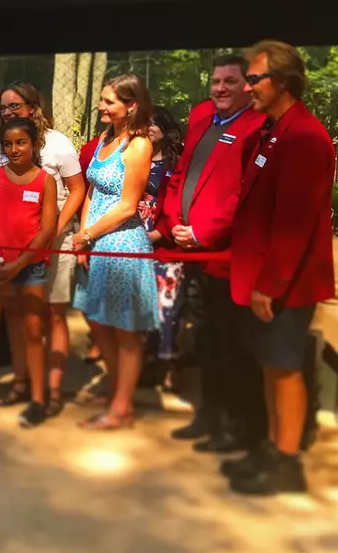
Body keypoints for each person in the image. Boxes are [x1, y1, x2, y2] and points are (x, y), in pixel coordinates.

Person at [222, 41, 335, 496]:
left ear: (283, 82)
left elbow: (296, 223)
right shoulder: (272, 133)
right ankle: (272, 447)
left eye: (254, 79)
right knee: (270, 366)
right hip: (262, 277)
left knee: (284, 368)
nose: (247, 86)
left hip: (285, 283)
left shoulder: (305, 137)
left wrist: (271, 285)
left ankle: (287, 461)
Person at [157, 54, 265, 452]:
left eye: (230, 82)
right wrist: (173, 223)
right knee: (202, 339)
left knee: (230, 344)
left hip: (225, 259)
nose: (220, 88)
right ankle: (208, 413)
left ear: (248, 86)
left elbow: (246, 193)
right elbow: (179, 174)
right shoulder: (203, 117)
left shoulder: (257, 126)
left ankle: (234, 425)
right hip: (189, 254)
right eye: (216, 81)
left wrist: (203, 232)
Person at [73, 73, 158, 430]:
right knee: (97, 321)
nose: (101, 107)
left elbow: (127, 206)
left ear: (131, 105)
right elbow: (92, 187)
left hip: (122, 245)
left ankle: (122, 406)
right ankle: (114, 386)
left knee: (125, 331)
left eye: (109, 101)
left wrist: (88, 234)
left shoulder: (138, 146)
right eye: (103, 100)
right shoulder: (107, 138)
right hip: (93, 242)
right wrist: (83, 234)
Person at [0, 83, 85, 415]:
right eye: (3, 107)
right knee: (17, 316)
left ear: (33, 108)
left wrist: (55, 230)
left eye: (14, 106)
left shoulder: (58, 144)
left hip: (55, 244)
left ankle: (55, 390)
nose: (8, 112)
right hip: (14, 247)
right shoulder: (1, 144)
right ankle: (22, 383)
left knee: (53, 314)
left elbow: (77, 190)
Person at [0, 117, 57, 425]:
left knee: (32, 330)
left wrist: (19, 264)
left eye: (21, 142)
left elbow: (47, 230)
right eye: (8, 144)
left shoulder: (45, 180)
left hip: (30, 268)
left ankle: (37, 400)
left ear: (34, 144)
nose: (14, 149)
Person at [142, 106, 185, 391]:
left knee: (167, 309)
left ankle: (167, 368)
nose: (148, 128)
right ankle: (143, 366)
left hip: (166, 245)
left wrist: (159, 234)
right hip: (133, 242)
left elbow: (181, 204)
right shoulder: (134, 157)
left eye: (153, 123)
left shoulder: (177, 163)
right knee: (143, 308)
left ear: (165, 128)